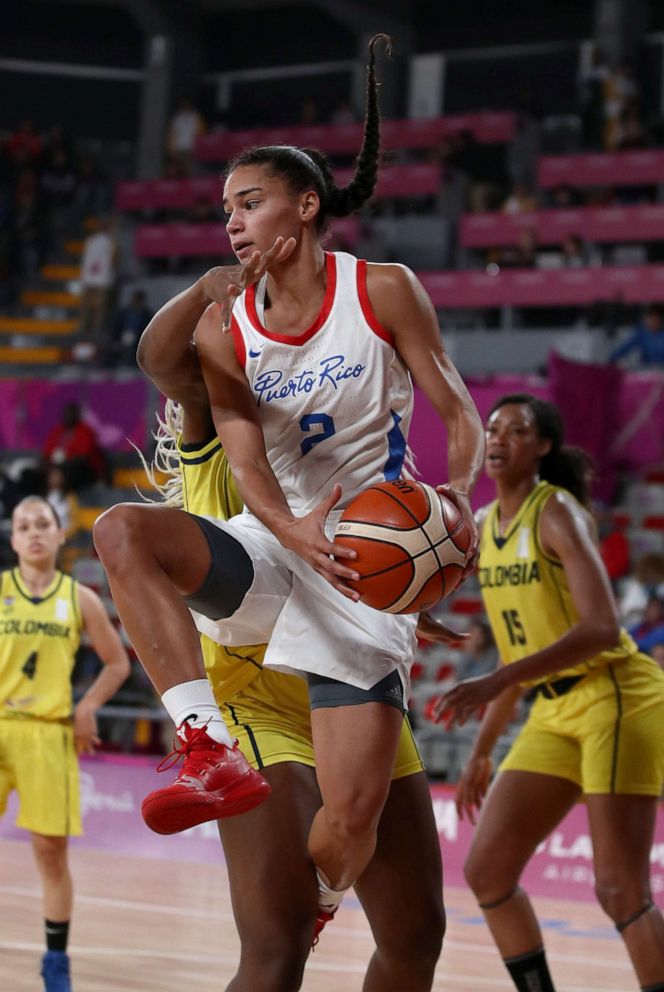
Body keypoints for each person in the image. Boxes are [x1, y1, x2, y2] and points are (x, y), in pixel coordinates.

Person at [93, 31, 484, 944]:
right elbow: (246, 456)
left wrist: (458, 498)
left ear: (306, 206)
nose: (232, 220)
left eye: (251, 201)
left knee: (347, 827)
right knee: (123, 531)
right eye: (225, 207)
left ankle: (325, 896)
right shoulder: (225, 328)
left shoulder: (383, 289)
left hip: (366, 563)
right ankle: (206, 749)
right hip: (278, 541)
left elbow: (456, 409)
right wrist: (289, 529)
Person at [135, 384, 455, 989]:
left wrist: (409, 587)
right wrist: (220, 288)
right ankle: (206, 744)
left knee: (416, 936)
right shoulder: (221, 428)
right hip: (262, 699)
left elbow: (385, 549)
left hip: (355, 678)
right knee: (276, 950)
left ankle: (327, 897)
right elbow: (168, 356)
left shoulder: (347, 450)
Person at [430, 393, 664, 992]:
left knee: (619, 890)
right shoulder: (484, 528)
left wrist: (500, 681)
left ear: (543, 447)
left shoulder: (554, 511)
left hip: (616, 695)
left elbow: (602, 627)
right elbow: (516, 649)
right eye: (493, 427)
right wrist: (483, 749)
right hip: (553, 708)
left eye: (518, 429)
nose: (501, 437)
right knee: (487, 872)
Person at [1, 496, 130, 991]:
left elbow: (118, 663)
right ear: (13, 540)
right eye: (23, 525)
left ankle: (56, 964)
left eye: (42, 524)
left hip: (49, 732)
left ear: (59, 536)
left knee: (51, 855)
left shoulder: (81, 599)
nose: (33, 532)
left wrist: (86, 706)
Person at [42, 401, 106, 492]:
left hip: (83, 470)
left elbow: (83, 458)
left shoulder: (86, 431)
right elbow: (47, 453)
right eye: (65, 414)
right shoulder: (57, 431)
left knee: (68, 470)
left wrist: (62, 464)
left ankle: (61, 497)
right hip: (58, 467)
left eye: (70, 413)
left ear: (77, 415)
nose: (67, 416)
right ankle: (50, 495)